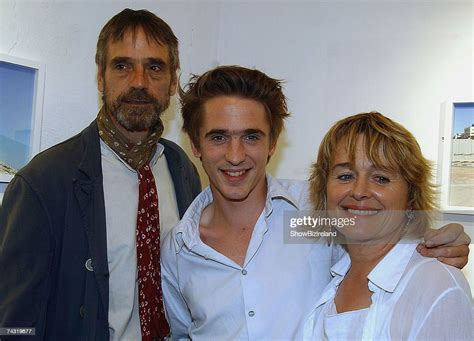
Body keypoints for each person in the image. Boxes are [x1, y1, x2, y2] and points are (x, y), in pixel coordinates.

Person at [161, 65, 471, 340]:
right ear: (195, 145)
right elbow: (181, 332)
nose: (235, 155)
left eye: (252, 137)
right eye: (218, 138)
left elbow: (379, 231)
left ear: (272, 143)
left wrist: (438, 240)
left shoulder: (304, 219)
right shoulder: (180, 247)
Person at [0, 9, 200, 341]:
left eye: (154, 67)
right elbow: (12, 324)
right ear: (100, 78)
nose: (139, 81)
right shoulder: (43, 183)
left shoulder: (182, 170)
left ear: (173, 81)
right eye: (122, 66)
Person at [303, 112, 472, 340]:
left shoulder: (437, 286)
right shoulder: (337, 276)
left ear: (411, 197)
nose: (359, 191)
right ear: (324, 189)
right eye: (345, 176)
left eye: (381, 178)